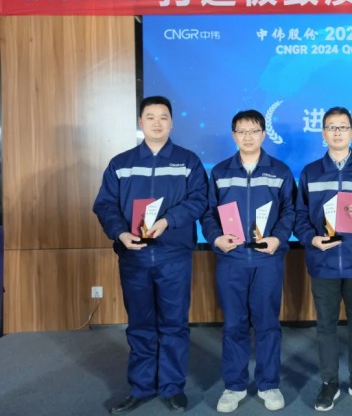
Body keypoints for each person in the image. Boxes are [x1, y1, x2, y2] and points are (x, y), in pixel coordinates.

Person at [93, 96, 208, 414]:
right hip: (135, 257)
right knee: (140, 324)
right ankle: (141, 387)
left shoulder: (188, 162)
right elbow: (104, 204)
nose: (157, 123)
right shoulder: (121, 163)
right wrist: (120, 232)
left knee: (174, 324)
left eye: (163, 117)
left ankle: (172, 387)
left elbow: (200, 199)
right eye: (151, 117)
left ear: (172, 122)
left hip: (174, 255)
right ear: (140, 122)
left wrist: (168, 220)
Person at [200, 110, 296, 413]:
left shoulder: (280, 170)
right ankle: (235, 385)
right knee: (234, 325)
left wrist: (279, 238)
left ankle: (268, 384)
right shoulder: (220, 172)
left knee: (268, 324)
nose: (248, 137)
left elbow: (290, 211)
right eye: (241, 131)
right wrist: (216, 238)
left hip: (267, 260)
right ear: (233, 135)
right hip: (232, 259)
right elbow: (208, 212)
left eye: (254, 131)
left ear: (263, 134)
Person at [294, 107, 352, 412]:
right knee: (326, 325)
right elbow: (298, 215)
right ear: (323, 133)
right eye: (331, 127)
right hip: (323, 261)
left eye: (343, 127)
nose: (337, 132)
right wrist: (311, 239)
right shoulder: (310, 172)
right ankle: (329, 382)